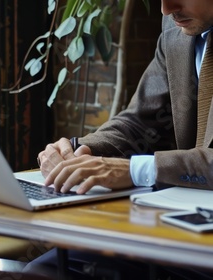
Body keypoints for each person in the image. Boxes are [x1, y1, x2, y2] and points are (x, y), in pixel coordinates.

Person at [28, 0, 213, 279]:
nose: (165, 8)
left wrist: (134, 170)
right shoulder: (179, 30)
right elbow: (139, 120)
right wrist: (82, 149)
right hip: (183, 231)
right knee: (45, 270)